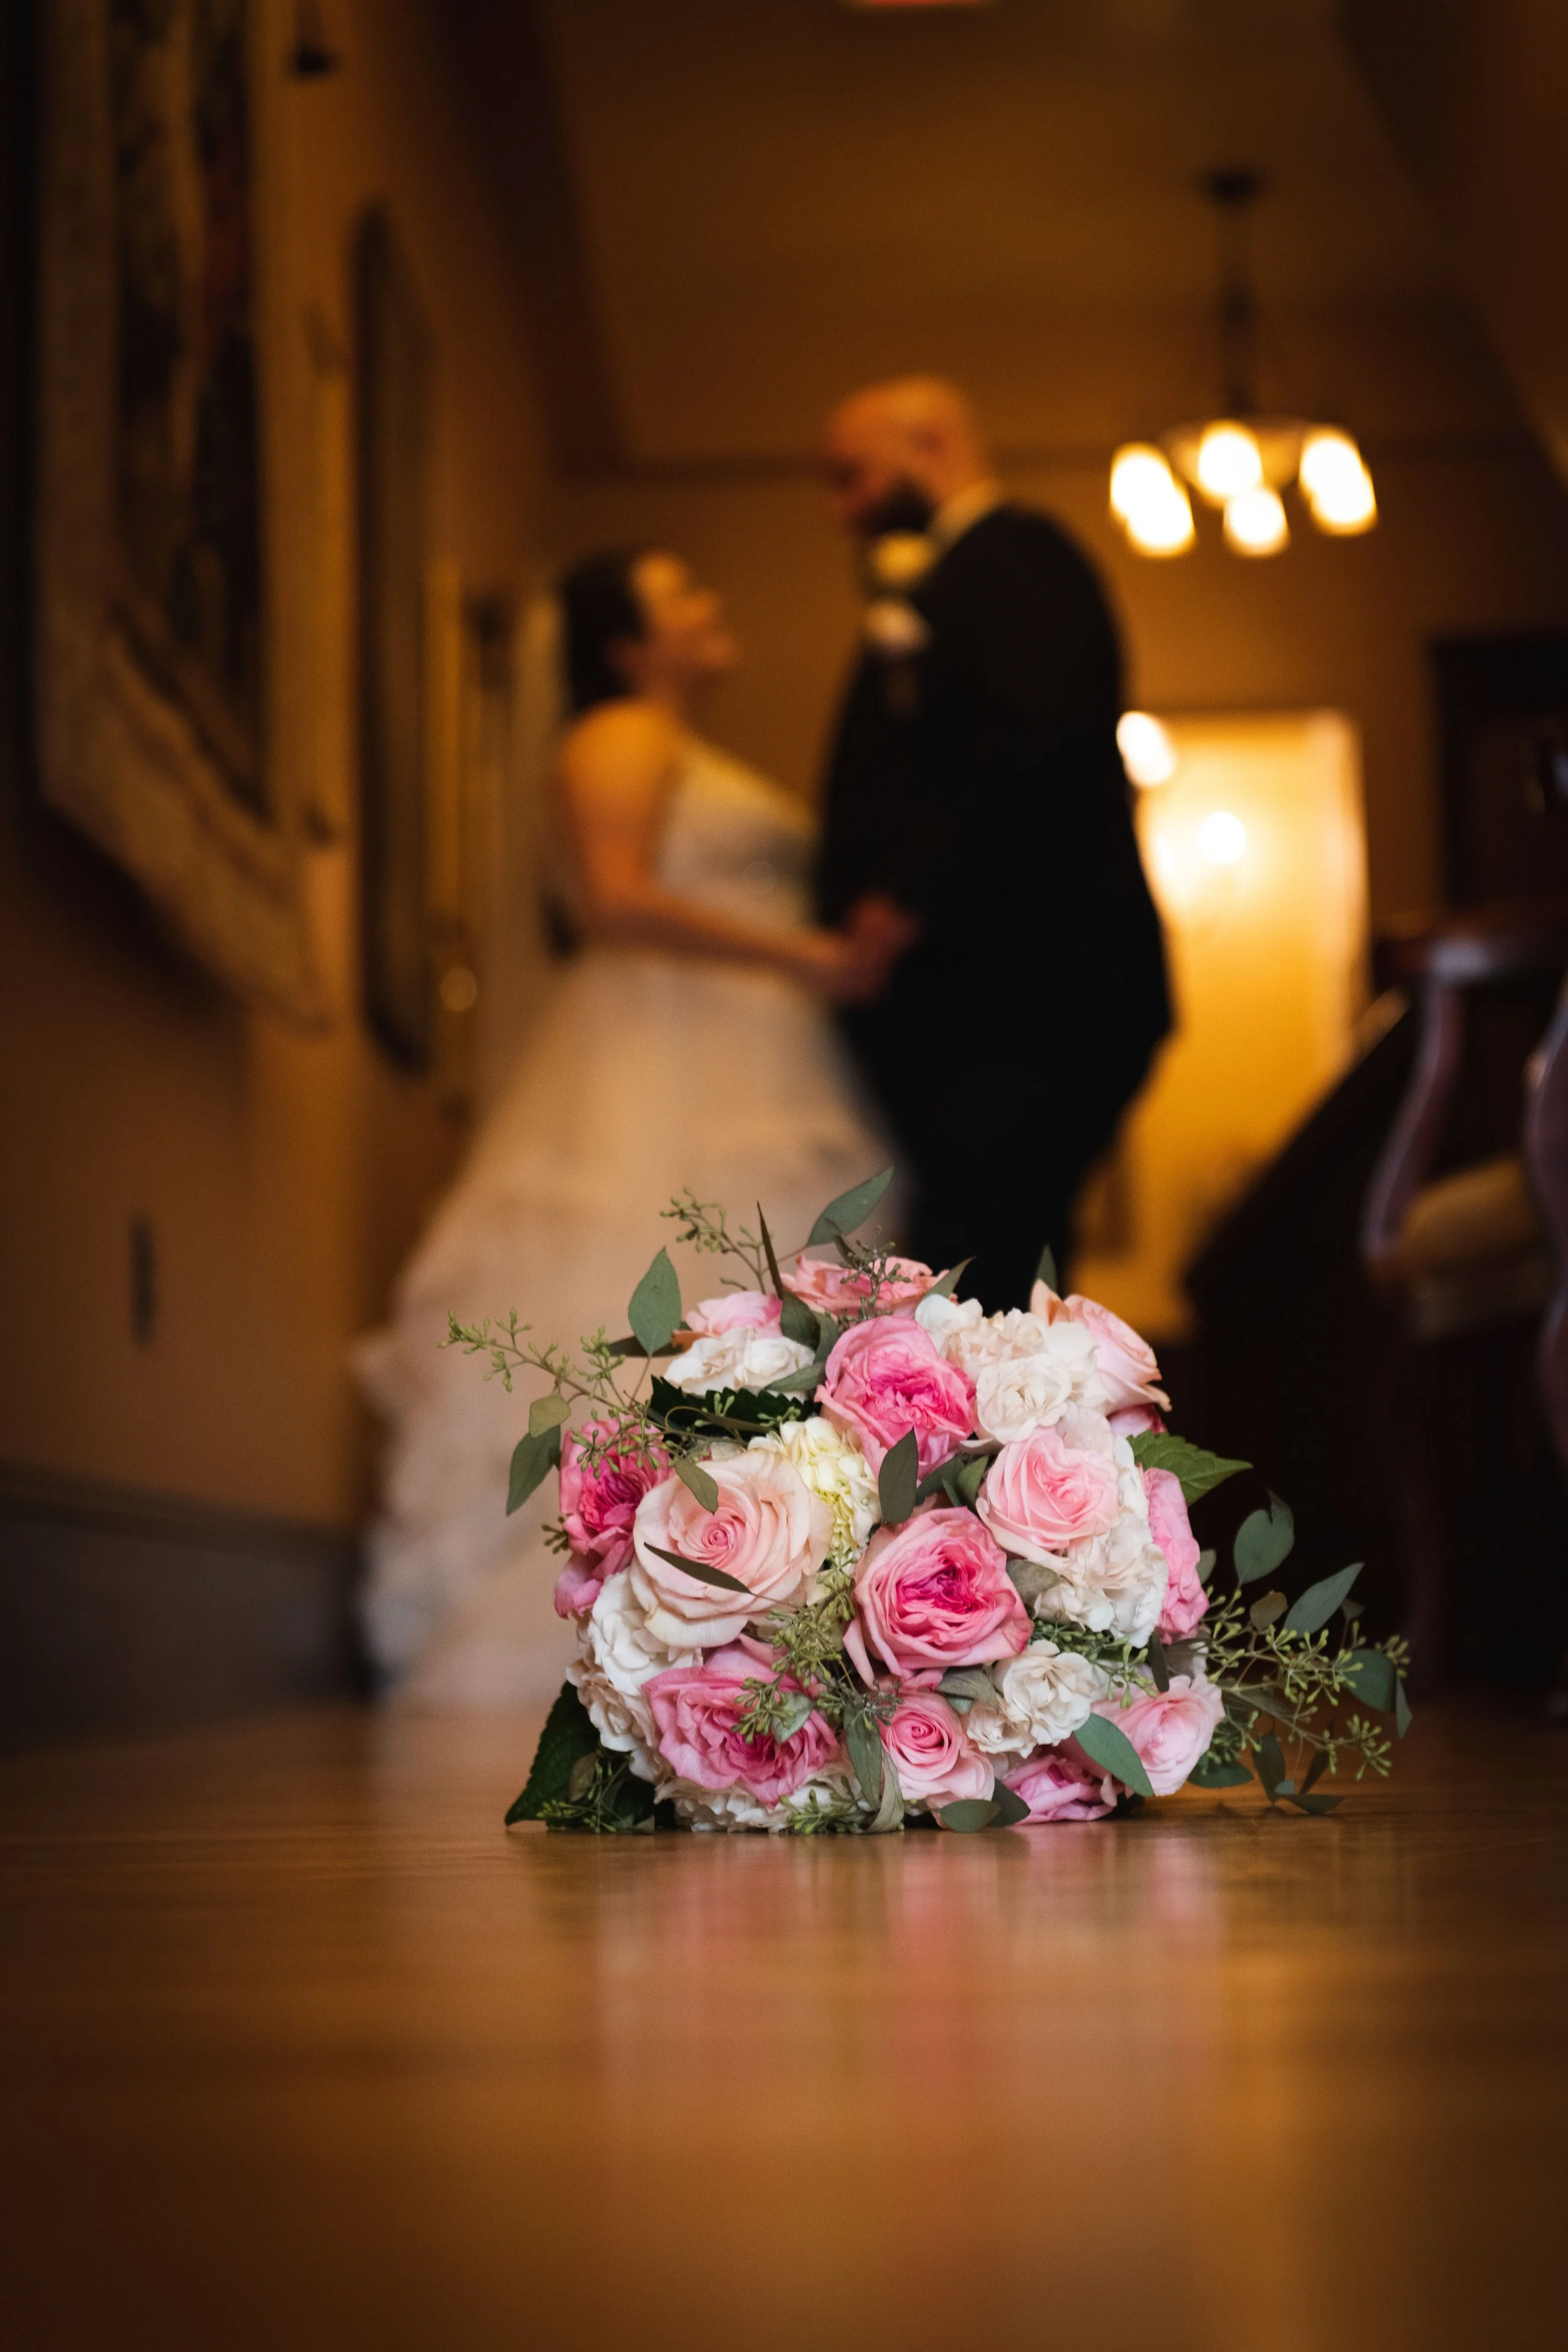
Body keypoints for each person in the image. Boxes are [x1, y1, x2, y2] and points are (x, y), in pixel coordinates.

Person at [356, 548, 899, 1706]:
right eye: (682, 593)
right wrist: (809, 956)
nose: (711, 602)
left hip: (750, 1051)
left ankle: (759, 1623)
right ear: (626, 642)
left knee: (758, 1319)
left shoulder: (676, 746)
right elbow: (616, 898)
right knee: (663, 1302)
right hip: (669, 1047)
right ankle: (621, 1625)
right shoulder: (619, 736)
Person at [816, 376, 1171, 1312]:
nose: (845, 508)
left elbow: (1036, 745)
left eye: (854, 475)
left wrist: (904, 905)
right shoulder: (953, 573)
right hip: (995, 1013)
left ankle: (1018, 1463)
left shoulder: (1016, 558)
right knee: (984, 1267)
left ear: (928, 441)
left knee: (989, 1278)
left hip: (1027, 1009)